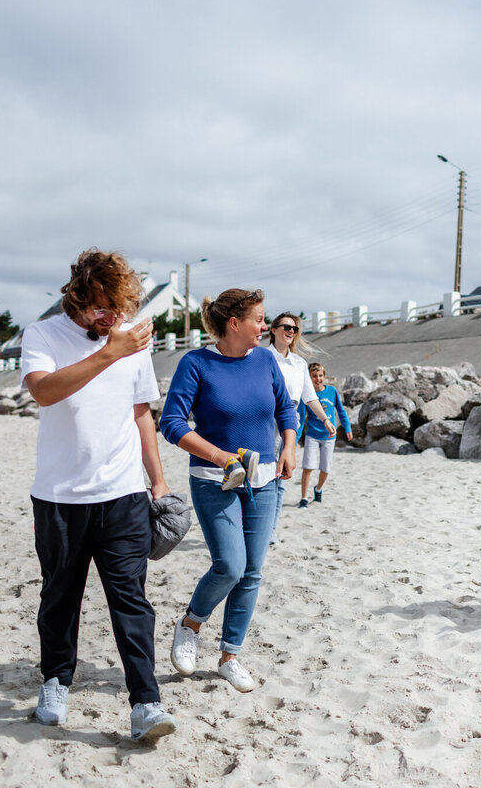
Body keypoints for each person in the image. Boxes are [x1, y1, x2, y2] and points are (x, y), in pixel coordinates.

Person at [20, 247, 175, 742]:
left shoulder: (132, 338)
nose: (112, 316)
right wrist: (111, 349)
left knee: (131, 599)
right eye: (102, 306)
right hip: (59, 496)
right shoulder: (43, 334)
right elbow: (43, 391)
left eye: (120, 306)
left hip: (124, 493)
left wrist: (160, 481)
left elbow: (141, 413)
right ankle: (55, 683)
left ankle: (146, 704)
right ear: (78, 297)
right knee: (60, 596)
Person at [159, 289, 298, 693]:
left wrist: (288, 446)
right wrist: (220, 456)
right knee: (230, 566)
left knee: (252, 572)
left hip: (266, 480)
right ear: (234, 324)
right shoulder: (196, 363)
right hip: (213, 479)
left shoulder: (266, 360)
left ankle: (230, 656)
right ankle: (190, 625)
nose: (265, 327)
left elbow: (285, 408)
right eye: (259, 319)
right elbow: (172, 423)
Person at [266, 313, 334, 540]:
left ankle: (271, 529)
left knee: (280, 478)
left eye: (294, 329)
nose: (290, 331)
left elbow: (309, 397)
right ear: (273, 329)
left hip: (289, 422)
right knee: (261, 476)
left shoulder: (299, 363)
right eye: (286, 326)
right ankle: (258, 527)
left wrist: (325, 419)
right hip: (264, 420)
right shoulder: (261, 356)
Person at [298, 362, 352, 508]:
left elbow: (341, 411)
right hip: (312, 436)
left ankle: (318, 489)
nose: (318, 379)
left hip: (329, 437)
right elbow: (301, 417)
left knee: (325, 469)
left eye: (320, 375)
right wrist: (296, 438)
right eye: (314, 376)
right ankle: (303, 498)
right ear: (309, 378)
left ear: (324, 376)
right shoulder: (307, 394)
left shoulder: (332, 391)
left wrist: (347, 427)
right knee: (308, 467)